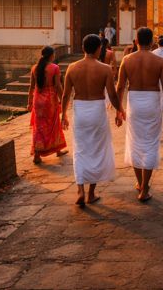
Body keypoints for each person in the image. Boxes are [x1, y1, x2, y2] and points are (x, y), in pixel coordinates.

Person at [61, 34, 125, 206]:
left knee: (81, 150)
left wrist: (63, 115)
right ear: (98, 49)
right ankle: (91, 193)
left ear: (83, 48)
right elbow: (111, 94)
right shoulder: (105, 69)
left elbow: (66, 94)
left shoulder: (72, 68)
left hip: (80, 110)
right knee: (97, 149)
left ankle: (80, 189)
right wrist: (120, 110)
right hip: (97, 110)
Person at [117, 28, 163, 202]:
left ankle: (140, 182)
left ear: (136, 41)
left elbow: (120, 86)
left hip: (134, 102)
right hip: (151, 102)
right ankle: (145, 187)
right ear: (152, 42)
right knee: (150, 142)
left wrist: (119, 109)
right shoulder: (159, 61)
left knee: (135, 142)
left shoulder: (127, 60)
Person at [28, 46, 68, 164]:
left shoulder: (34, 68)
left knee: (38, 127)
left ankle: (36, 155)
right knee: (54, 124)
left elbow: (31, 87)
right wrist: (63, 99)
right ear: (51, 55)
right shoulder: (54, 68)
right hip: (50, 100)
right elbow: (58, 86)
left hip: (37, 100)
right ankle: (58, 150)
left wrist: (29, 102)